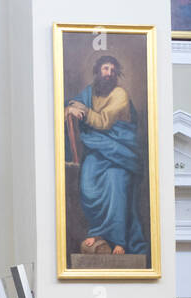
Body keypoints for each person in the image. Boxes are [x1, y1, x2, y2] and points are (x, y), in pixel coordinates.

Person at [64, 55, 150, 260]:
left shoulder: (120, 94)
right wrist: (70, 108)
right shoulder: (90, 92)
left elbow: (103, 122)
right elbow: (72, 105)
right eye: (105, 69)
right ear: (97, 71)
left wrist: (82, 109)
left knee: (115, 183)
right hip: (98, 151)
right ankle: (99, 231)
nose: (108, 73)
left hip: (121, 152)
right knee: (87, 185)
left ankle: (119, 239)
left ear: (116, 74)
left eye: (112, 70)